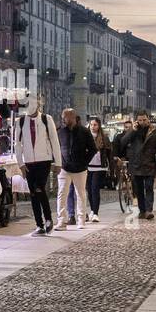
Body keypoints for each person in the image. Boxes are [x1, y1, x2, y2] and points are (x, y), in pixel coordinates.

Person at [13, 100, 61, 235]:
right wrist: (20, 164)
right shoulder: (21, 122)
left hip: (44, 160)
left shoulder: (47, 119)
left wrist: (58, 162)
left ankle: (48, 219)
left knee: (39, 188)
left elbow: (54, 140)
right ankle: (39, 225)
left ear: (38, 106)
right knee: (33, 193)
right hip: (28, 162)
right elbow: (17, 144)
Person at [114, 110, 156, 220]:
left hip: (149, 163)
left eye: (144, 120)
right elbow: (123, 142)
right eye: (140, 120)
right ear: (137, 120)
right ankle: (142, 211)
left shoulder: (154, 131)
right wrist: (132, 131)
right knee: (139, 189)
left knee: (149, 187)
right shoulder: (133, 130)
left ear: (148, 119)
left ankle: (149, 210)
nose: (142, 122)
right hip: (136, 164)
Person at [55, 109, 95, 229]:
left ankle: (81, 220)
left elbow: (93, 149)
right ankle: (62, 220)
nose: (63, 119)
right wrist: (58, 162)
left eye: (65, 117)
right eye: (63, 117)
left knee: (81, 194)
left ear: (72, 117)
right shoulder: (60, 132)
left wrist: (85, 162)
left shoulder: (84, 131)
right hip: (64, 167)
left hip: (80, 168)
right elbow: (56, 149)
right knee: (62, 193)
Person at [84, 118, 113, 223]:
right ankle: (92, 210)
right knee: (89, 190)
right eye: (91, 124)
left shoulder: (104, 138)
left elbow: (109, 154)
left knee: (95, 188)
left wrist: (111, 169)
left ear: (99, 125)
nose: (93, 126)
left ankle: (95, 213)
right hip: (88, 166)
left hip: (100, 167)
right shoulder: (85, 137)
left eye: (95, 124)